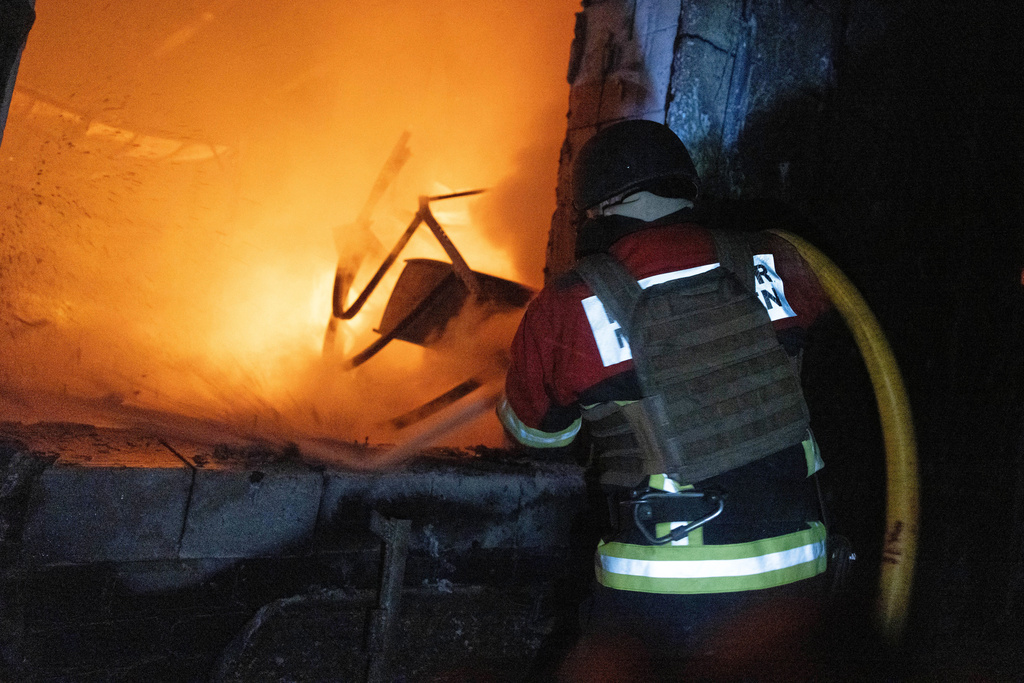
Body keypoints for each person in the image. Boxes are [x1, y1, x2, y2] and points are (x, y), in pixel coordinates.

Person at [497, 119, 834, 679]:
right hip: (798, 578)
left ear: (597, 210)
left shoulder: (567, 304)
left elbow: (535, 435)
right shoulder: (772, 261)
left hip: (659, 600)